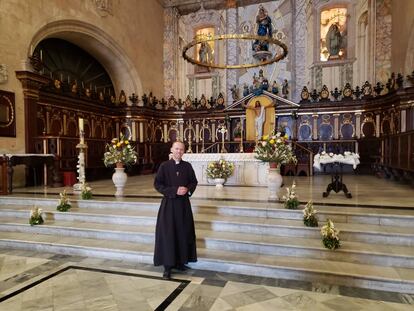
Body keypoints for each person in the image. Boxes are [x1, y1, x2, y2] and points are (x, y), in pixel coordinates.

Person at [153, 141, 198, 279]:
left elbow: (193, 182)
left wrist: (188, 190)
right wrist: (174, 190)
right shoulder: (164, 166)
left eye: (181, 149)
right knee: (168, 235)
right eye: (177, 149)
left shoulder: (187, 166)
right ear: (172, 150)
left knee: (183, 233)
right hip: (169, 206)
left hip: (183, 206)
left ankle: (180, 262)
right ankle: (167, 267)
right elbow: (157, 184)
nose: (179, 151)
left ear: (184, 152)